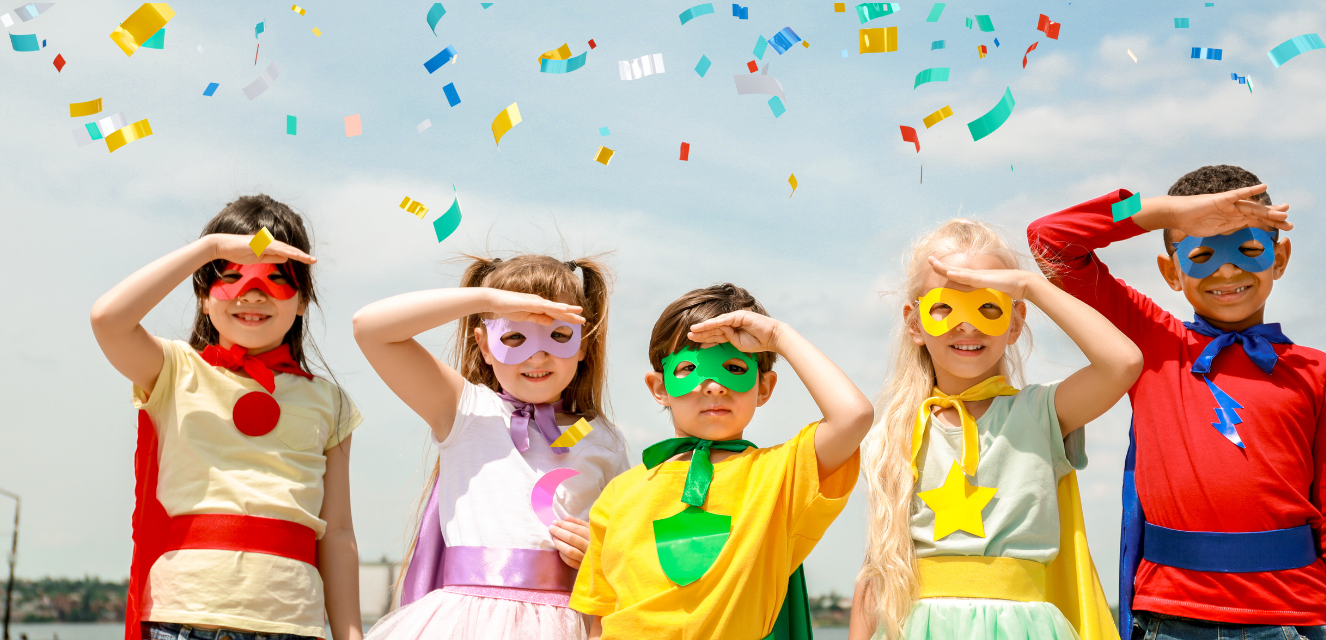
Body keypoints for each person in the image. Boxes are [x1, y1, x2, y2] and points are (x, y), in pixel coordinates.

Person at [1027, 165, 1326, 639]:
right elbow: (1050, 241)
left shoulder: (1319, 375)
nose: (1227, 269)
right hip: (1170, 621)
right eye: (1201, 253)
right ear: (1171, 272)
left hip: (1293, 621)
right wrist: (1164, 212)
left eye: (1250, 249)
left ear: (1280, 259)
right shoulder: (1151, 341)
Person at [850, 219, 1141, 640]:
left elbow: (1123, 363)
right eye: (944, 307)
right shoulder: (894, 431)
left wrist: (1030, 286)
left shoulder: (1041, 413)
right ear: (915, 324)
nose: (967, 326)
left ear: (1015, 322)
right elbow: (878, 566)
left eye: (989, 307)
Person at [91, 195, 363, 640]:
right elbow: (107, 319)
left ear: (302, 302)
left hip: (292, 622)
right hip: (185, 618)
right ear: (203, 296)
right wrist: (211, 248)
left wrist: (351, 634)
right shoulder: (174, 369)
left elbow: (338, 534)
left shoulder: (329, 401)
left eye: (276, 278)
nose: (252, 293)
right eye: (231, 276)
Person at [570, 284, 874, 640]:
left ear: (764, 387)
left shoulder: (781, 475)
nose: (714, 386)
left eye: (733, 367)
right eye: (688, 368)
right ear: (659, 386)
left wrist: (778, 335)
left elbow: (853, 416)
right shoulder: (619, 493)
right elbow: (599, 621)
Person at [353, 253, 628, 639]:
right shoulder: (466, 409)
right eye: (515, 335)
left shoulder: (605, 439)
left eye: (559, 335)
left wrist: (599, 554)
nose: (537, 354)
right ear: (483, 343)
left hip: (567, 622)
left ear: (584, 344)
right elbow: (370, 327)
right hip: (464, 621)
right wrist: (487, 301)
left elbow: (628, 549)